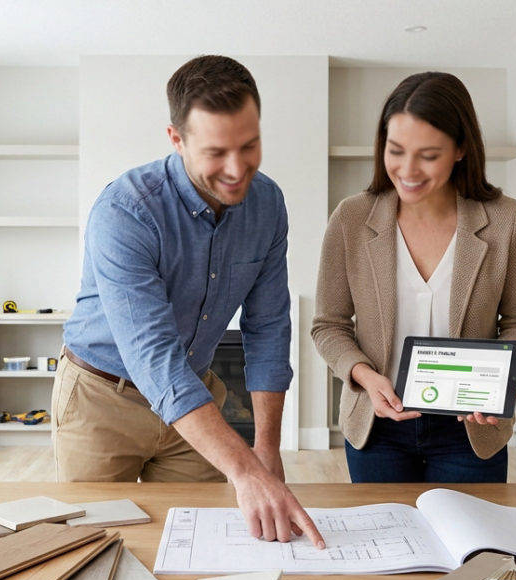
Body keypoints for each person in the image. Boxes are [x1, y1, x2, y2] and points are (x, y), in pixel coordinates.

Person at [55, 55, 324, 548]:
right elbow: (154, 357)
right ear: (176, 140)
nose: (237, 169)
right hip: (101, 400)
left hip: (196, 394)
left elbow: (268, 328)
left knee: (196, 543)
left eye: (249, 146)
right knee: (93, 548)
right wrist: (244, 471)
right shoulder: (126, 210)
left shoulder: (267, 205)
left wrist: (265, 449)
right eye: (216, 152)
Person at [312, 72, 516, 483]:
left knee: (474, 547)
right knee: (388, 547)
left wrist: (501, 378)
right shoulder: (350, 218)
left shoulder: (507, 220)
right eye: (395, 150)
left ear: (461, 150)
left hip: (470, 431)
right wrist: (365, 376)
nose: (408, 170)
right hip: (377, 426)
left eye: (428, 155)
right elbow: (328, 326)